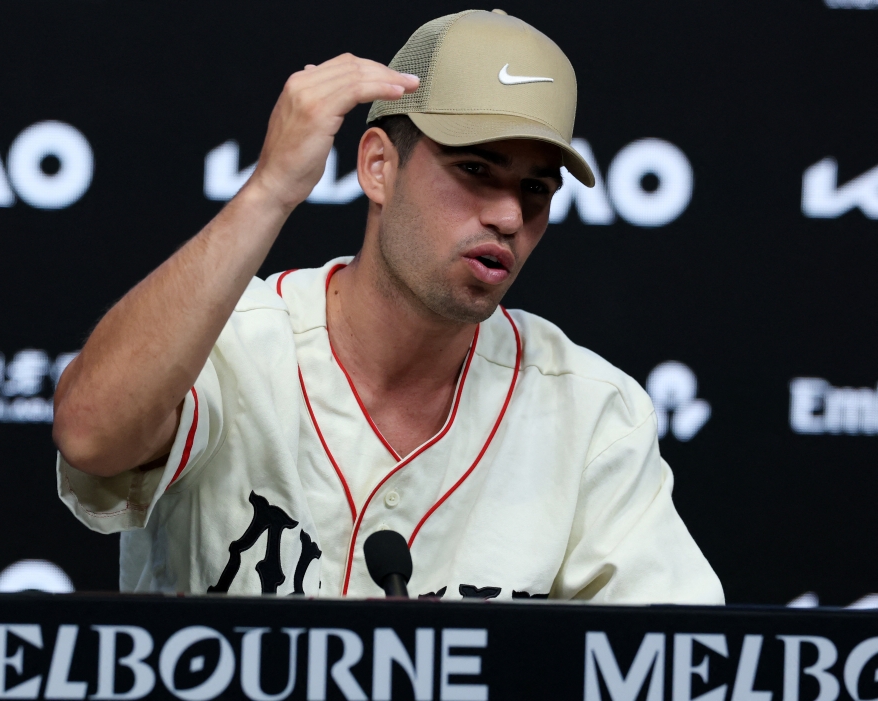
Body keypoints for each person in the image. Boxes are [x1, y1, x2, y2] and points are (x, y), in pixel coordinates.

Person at [53, 9, 724, 603]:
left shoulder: (591, 413)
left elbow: (675, 663)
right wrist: (269, 192)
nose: (508, 214)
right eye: (475, 169)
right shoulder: (229, 345)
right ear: (378, 166)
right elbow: (90, 432)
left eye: (535, 189)